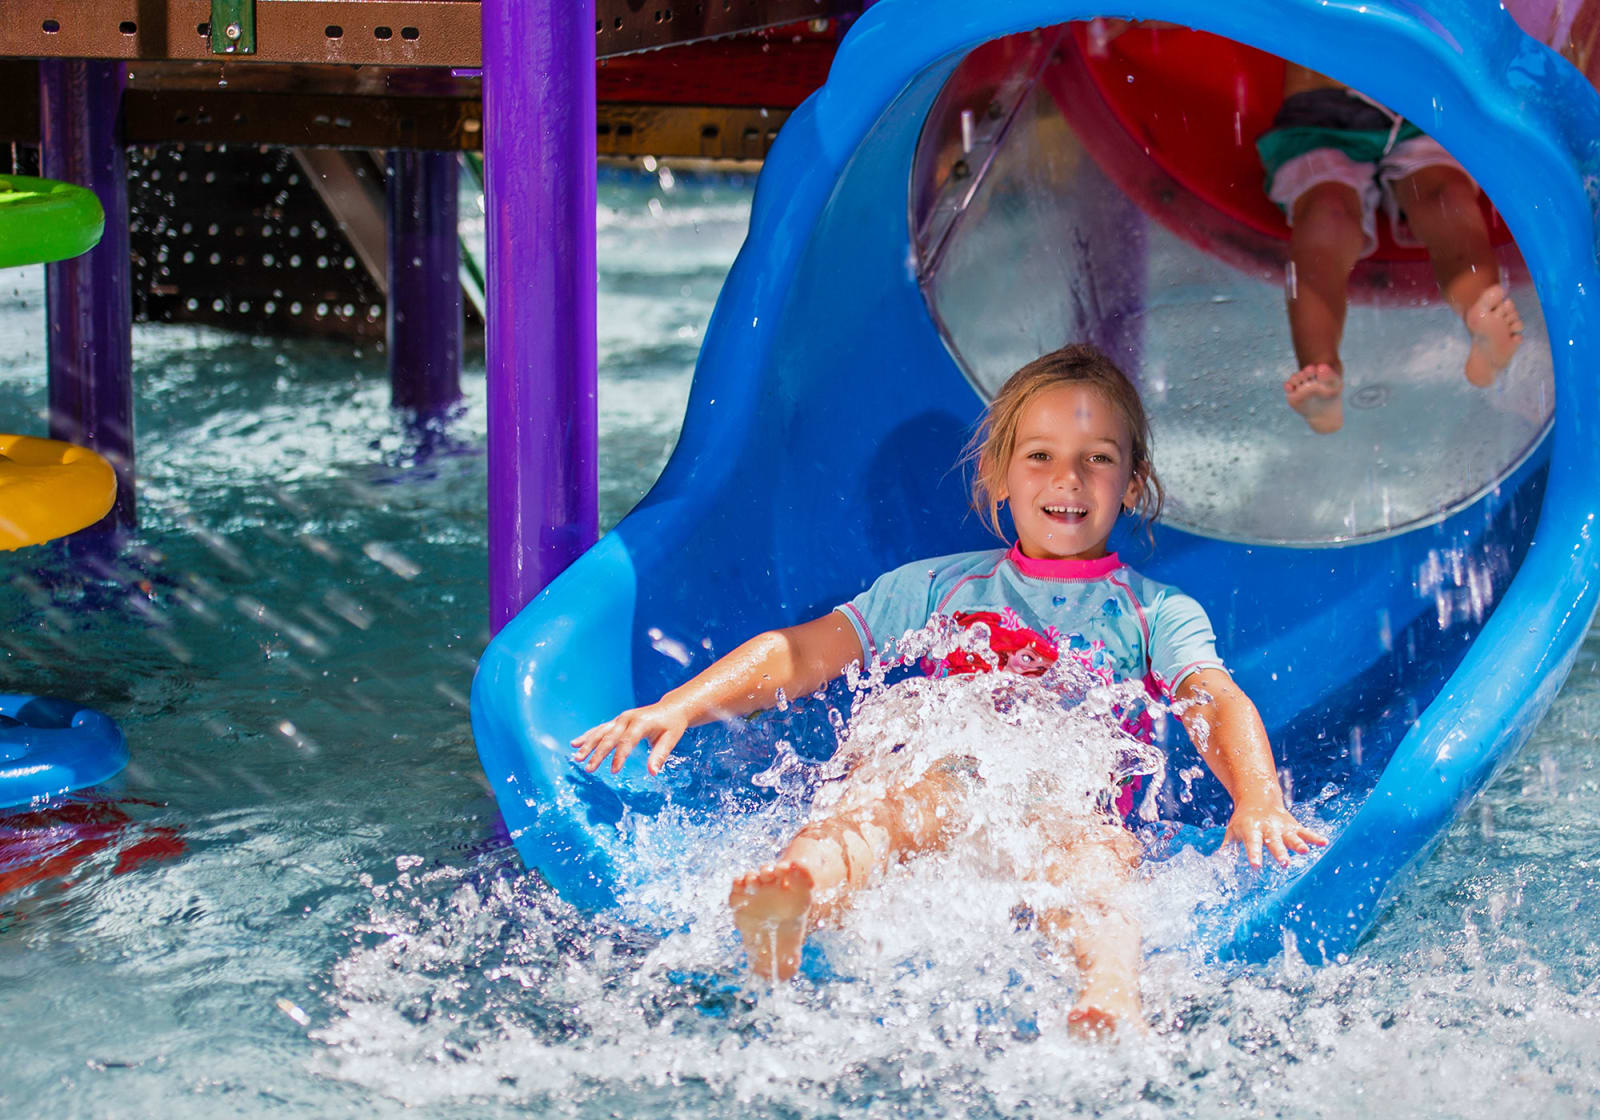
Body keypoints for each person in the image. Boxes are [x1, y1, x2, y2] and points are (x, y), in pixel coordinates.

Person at [571, 344, 1326, 1036]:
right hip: (952, 776)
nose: (1068, 479)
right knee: (890, 805)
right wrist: (682, 703)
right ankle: (796, 890)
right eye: (1040, 456)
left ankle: (1107, 994)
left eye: (1097, 459)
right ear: (997, 475)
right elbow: (800, 654)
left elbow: (1212, 698)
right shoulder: (935, 589)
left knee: (1096, 856)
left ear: (1132, 483)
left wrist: (1257, 796)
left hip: (1068, 802)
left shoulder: (1156, 611)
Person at [1259, 65, 1525, 433]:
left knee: (1444, 199)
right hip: (1320, 115)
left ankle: (1482, 320)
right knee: (1326, 218)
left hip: (1427, 106)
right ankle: (1320, 372)